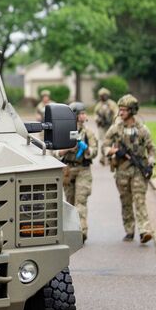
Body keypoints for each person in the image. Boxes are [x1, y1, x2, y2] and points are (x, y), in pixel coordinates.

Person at [102, 94, 156, 244]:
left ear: (132, 111)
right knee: (125, 201)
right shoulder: (115, 129)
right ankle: (129, 230)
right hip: (122, 171)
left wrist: (151, 163)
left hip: (139, 171)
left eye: (124, 110)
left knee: (139, 200)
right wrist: (114, 151)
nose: (120, 113)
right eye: (120, 110)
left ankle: (145, 230)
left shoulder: (142, 130)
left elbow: (152, 149)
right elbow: (105, 145)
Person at [56, 102, 98, 243]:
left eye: (84, 113)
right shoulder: (64, 132)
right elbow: (56, 153)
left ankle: (82, 231)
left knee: (81, 200)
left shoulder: (88, 133)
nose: (84, 116)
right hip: (68, 170)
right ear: (74, 116)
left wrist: (85, 149)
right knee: (70, 202)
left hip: (83, 169)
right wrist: (68, 148)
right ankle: (71, 232)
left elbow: (94, 151)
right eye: (81, 113)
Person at [94, 87, 118, 165]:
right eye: (101, 95)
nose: (103, 97)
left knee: (111, 141)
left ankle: (110, 157)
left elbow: (116, 113)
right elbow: (95, 115)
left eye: (104, 95)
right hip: (102, 126)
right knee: (103, 141)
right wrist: (98, 120)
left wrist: (114, 122)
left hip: (110, 125)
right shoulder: (98, 105)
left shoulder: (112, 104)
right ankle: (103, 158)